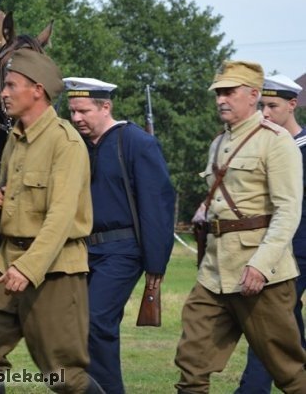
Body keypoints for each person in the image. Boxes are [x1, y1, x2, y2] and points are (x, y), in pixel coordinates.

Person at [0, 49, 104, 394]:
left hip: (53, 270)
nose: (3, 93)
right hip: (8, 262)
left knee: (62, 373)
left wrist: (28, 269)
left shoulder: (65, 143)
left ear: (37, 90)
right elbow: (16, 195)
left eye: (12, 85)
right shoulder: (16, 139)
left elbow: (60, 217)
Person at [174, 61, 306, 393]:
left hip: (262, 276)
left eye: (230, 92)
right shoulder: (219, 143)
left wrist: (261, 265)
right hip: (215, 272)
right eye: (219, 92)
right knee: (191, 361)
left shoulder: (276, 141)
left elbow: (288, 210)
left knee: (288, 370)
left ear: (252, 95)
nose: (221, 99)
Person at [65, 77, 175, 394]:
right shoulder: (78, 146)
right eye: (72, 111)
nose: (76, 119)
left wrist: (155, 266)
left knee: (96, 321)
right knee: (75, 326)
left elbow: (157, 205)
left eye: (83, 111)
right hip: (83, 250)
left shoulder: (137, 143)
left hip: (123, 250)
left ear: (105, 107)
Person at [235, 74, 306, 394]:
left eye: (272, 106)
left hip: (300, 245)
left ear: (293, 106)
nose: (264, 113)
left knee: (274, 321)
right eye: (261, 105)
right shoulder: (260, 146)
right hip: (275, 248)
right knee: (282, 320)